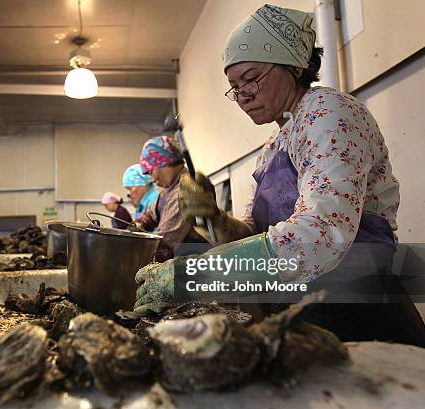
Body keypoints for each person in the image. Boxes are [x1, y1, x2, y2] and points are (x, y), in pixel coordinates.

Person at [133, 4, 425, 346]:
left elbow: (321, 233)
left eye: (252, 78)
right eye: (234, 86)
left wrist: (198, 274)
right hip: (301, 316)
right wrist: (214, 217)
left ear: (294, 65)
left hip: (360, 314)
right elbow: (255, 235)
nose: (243, 95)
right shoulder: (274, 145)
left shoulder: (329, 113)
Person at [135, 136, 206, 261]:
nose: (153, 179)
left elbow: (164, 245)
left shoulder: (184, 190)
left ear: (163, 163)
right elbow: (150, 215)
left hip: (198, 267)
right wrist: (135, 227)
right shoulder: (167, 190)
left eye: (151, 172)